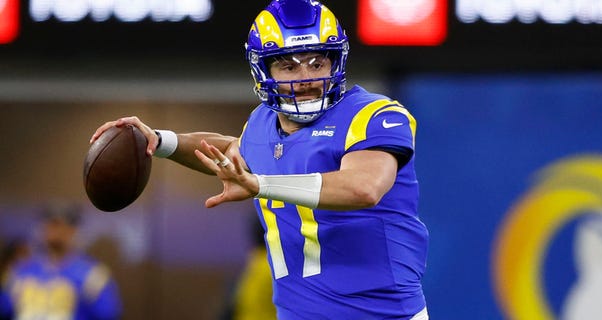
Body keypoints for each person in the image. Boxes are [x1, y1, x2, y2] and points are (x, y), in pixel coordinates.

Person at [90, 0, 429, 318]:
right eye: (287, 65)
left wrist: (260, 184)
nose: (306, 78)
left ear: (336, 60)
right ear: (263, 71)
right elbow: (229, 152)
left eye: (317, 61)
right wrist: (161, 140)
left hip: (381, 314)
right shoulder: (261, 124)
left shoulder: (374, 114)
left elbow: (364, 187)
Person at [0, 203, 122, 320]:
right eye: (48, 223)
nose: (52, 230)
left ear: (72, 230)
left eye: (57, 224)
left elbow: (108, 314)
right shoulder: (21, 270)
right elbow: (4, 308)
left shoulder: (92, 275)